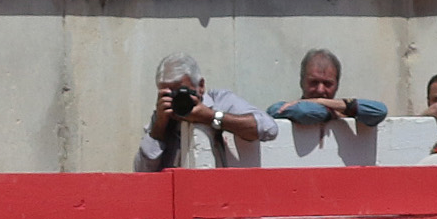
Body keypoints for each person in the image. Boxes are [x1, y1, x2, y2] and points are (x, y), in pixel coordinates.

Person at [135, 53, 277, 171]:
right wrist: (159, 128)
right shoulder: (162, 117)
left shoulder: (219, 101)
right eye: (168, 94)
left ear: (201, 86)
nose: (176, 99)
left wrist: (210, 116)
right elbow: (141, 172)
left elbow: (268, 128)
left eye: (181, 91)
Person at [267, 49, 387, 128]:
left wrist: (320, 102)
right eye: (313, 82)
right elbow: (305, 112)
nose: (320, 90)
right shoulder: (284, 108)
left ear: (337, 85)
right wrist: (332, 113)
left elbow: (380, 111)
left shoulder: (342, 110)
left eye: (327, 84)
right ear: (301, 82)